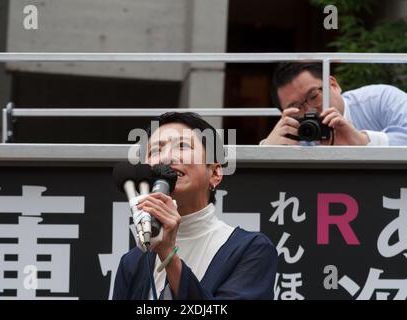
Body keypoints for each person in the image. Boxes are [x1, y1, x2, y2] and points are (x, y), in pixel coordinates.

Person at [113, 112, 277, 300]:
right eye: (155, 151)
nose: (166, 158)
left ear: (215, 172)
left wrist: (168, 255)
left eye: (182, 146)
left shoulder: (250, 249)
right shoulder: (132, 262)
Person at [261, 62, 407, 146]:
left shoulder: (380, 99)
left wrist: (363, 141)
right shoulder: (294, 134)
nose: (309, 110)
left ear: (333, 85)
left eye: (313, 96)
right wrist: (268, 151)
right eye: (296, 107)